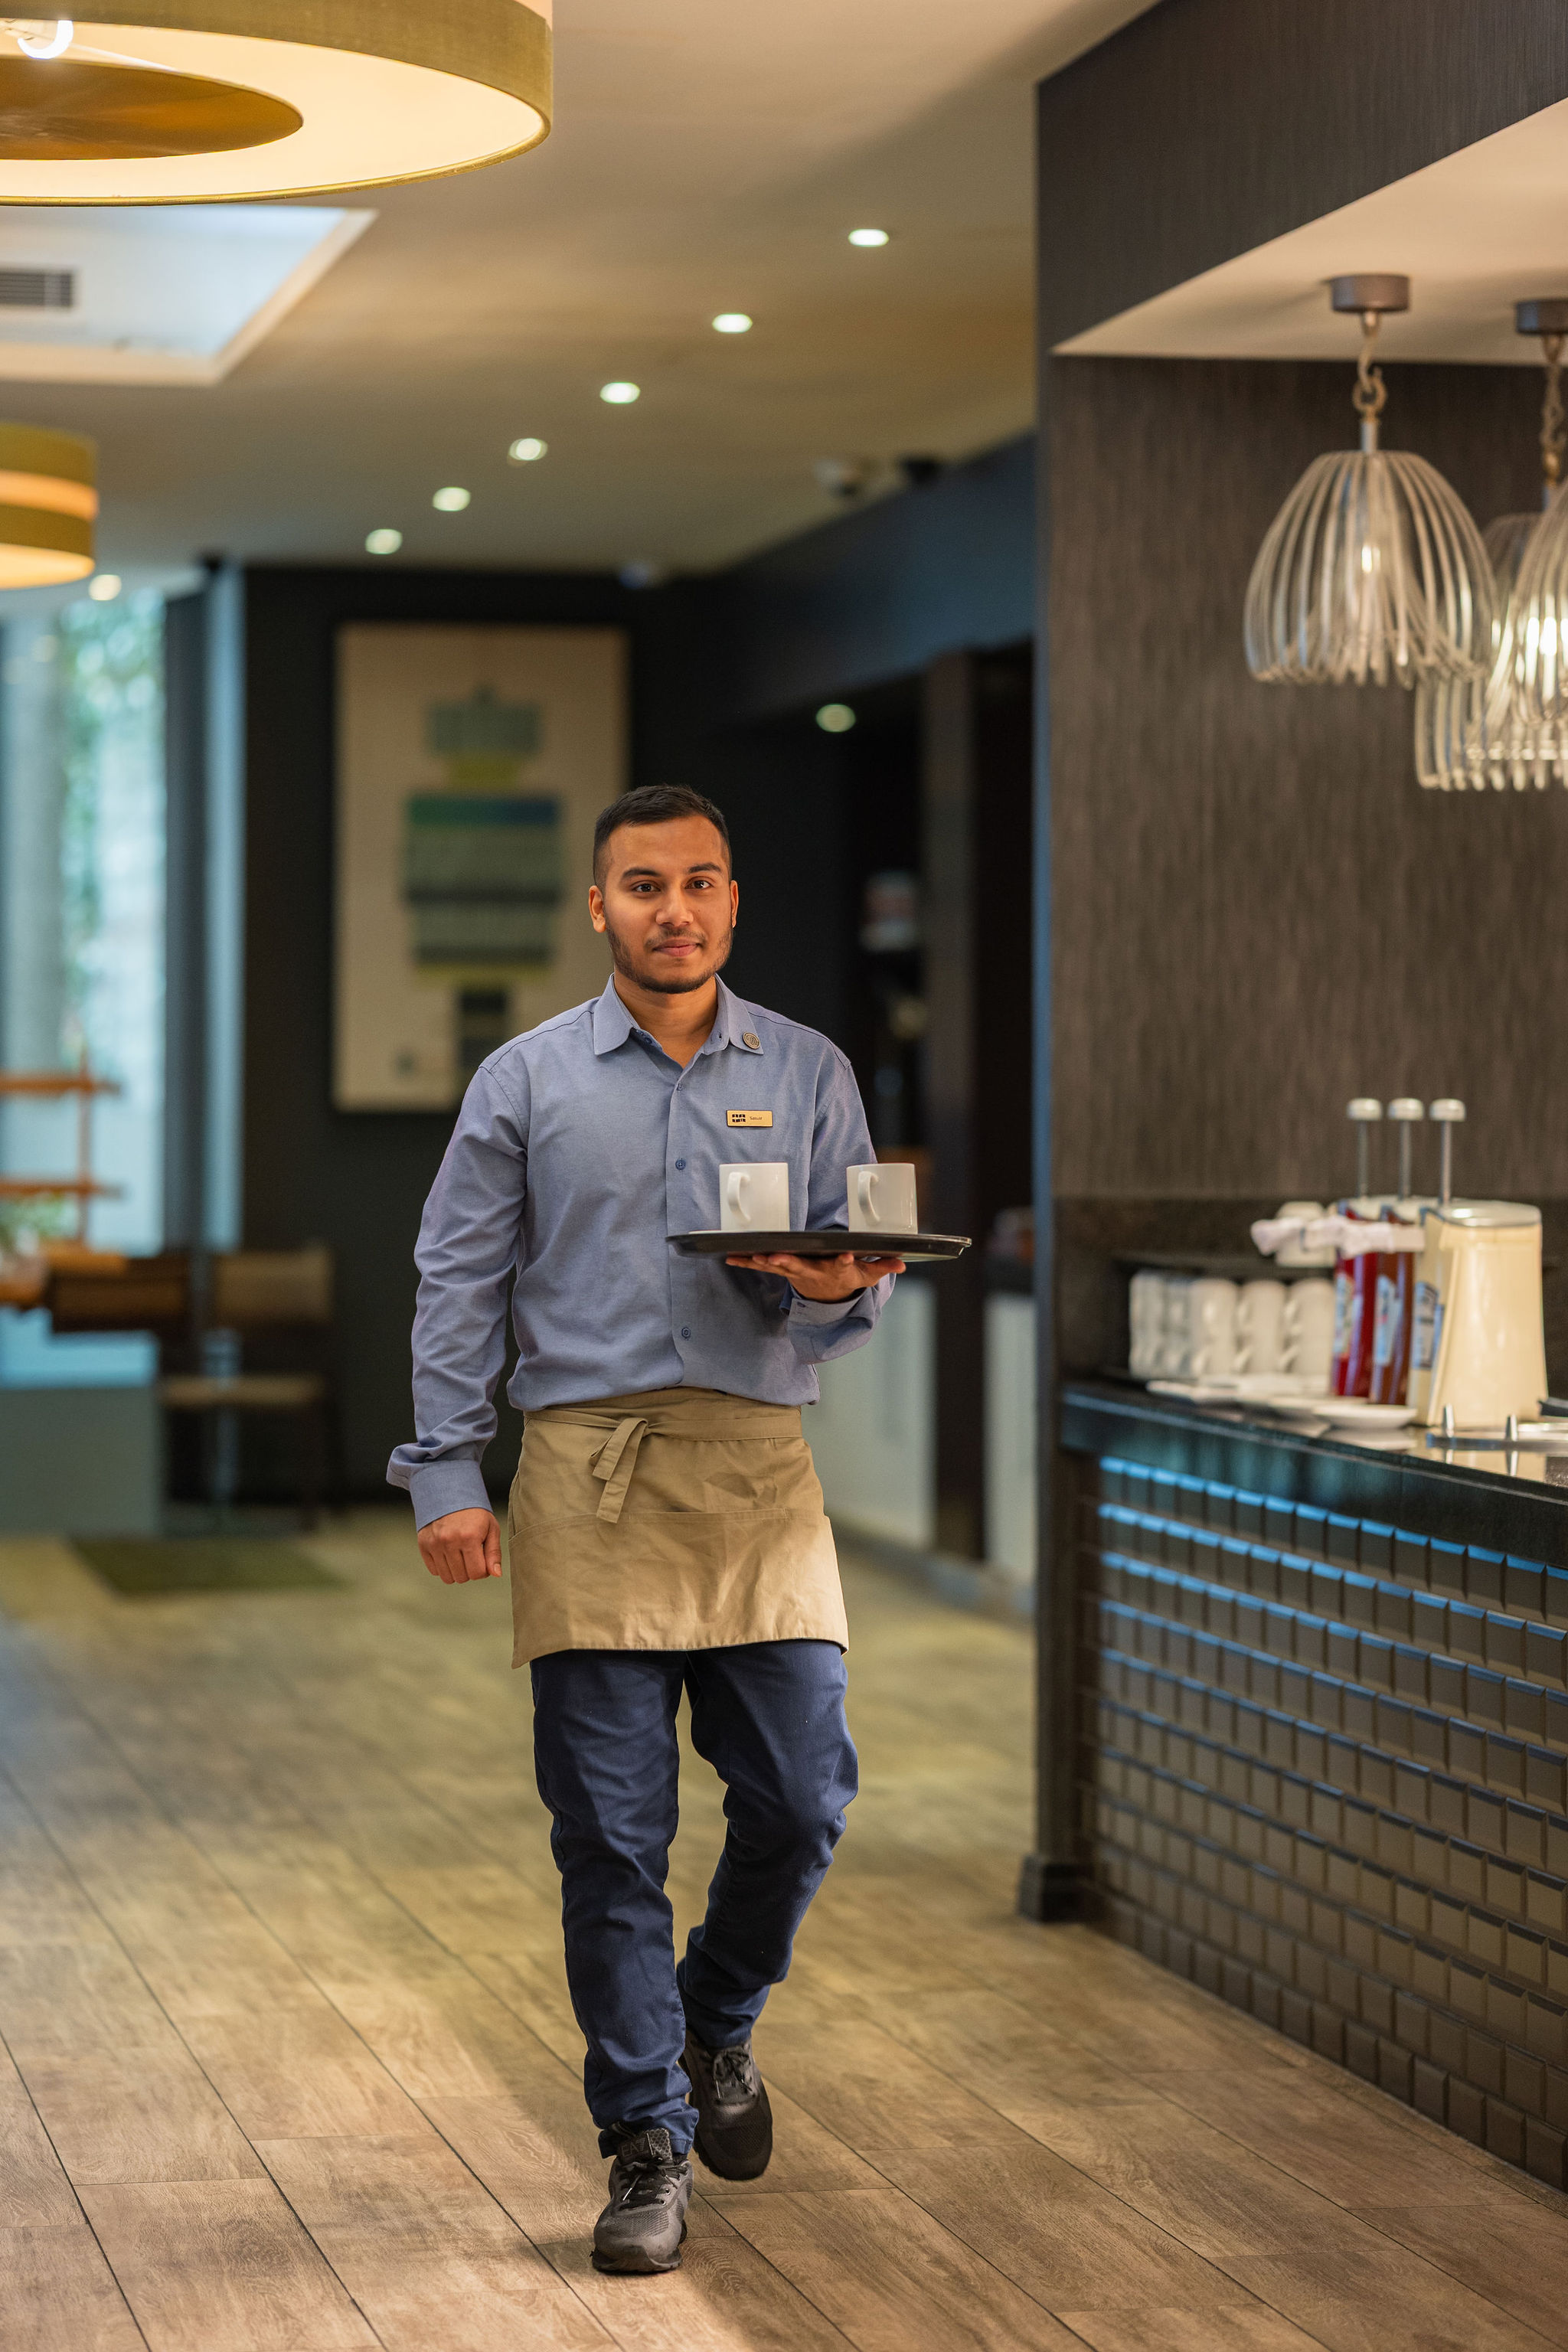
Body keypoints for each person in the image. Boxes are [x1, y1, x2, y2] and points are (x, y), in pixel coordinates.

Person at [388, 783, 903, 2275]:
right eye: (641, 885)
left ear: (731, 903)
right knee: (611, 1843)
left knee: (805, 1798)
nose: (672, 907)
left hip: (756, 1474)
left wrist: (835, 1286)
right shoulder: (527, 1081)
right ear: (596, 909)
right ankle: (642, 2145)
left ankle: (712, 2025)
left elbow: (857, 1257)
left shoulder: (805, 1068)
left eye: (699, 882)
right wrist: (447, 1473)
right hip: (587, 1475)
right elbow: (457, 1282)